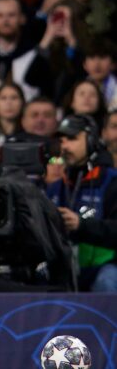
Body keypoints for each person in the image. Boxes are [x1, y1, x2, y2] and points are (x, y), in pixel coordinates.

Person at [48, 114, 117, 291]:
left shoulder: (112, 182)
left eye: (71, 139)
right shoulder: (56, 187)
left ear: (93, 140)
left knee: (108, 280)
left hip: (105, 268)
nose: (64, 146)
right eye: (61, 141)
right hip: (64, 268)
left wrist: (81, 225)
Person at [82, 40, 116, 110]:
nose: (96, 64)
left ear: (113, 64)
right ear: (85, 65)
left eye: (102, 57)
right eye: (92, 57)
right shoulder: (77, 89)